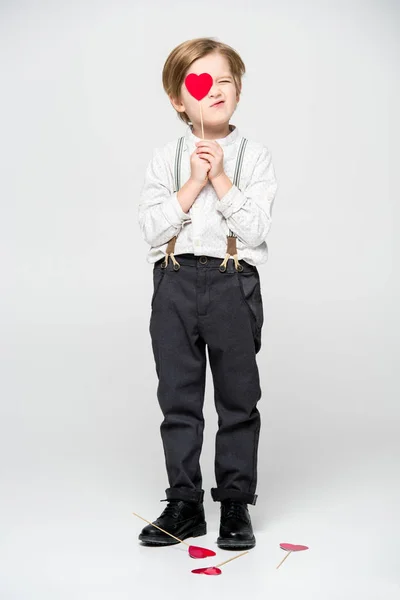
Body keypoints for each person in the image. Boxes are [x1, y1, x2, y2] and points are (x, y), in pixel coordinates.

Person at [137, 37, 278, 551]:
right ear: (179, 100)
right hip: (173, 281)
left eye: (224, 80)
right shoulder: (166, 158)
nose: (214, 90)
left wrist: (220, 177)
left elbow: (256, 229)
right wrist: (192, 182)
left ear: (238, 89)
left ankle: (236, 502)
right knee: (178, 398)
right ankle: (184, 503)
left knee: (239, 398)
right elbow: (152, 230)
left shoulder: (255, 157)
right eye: (200, 83)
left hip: (231, 281)